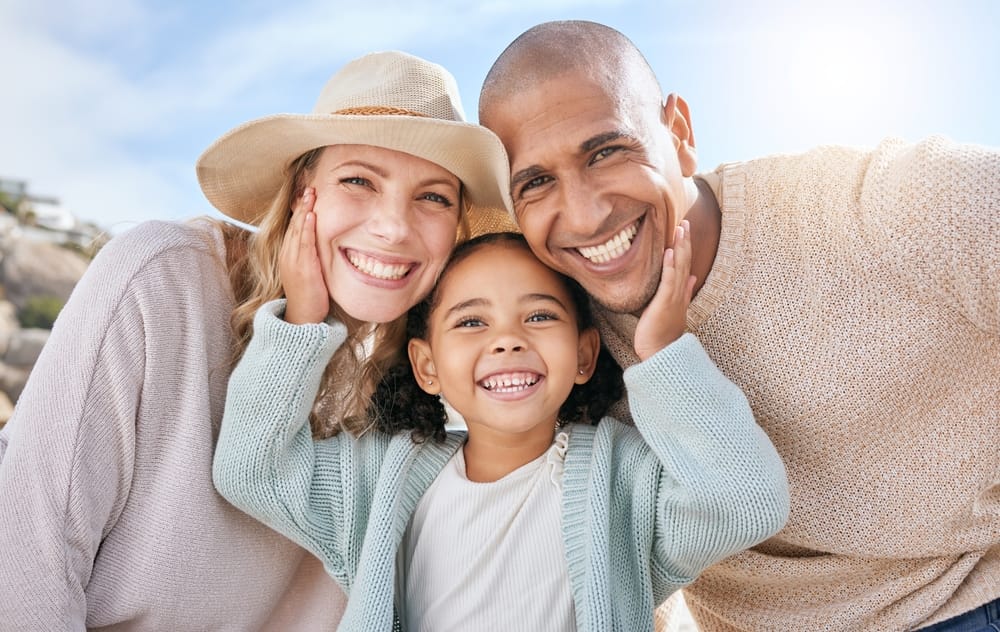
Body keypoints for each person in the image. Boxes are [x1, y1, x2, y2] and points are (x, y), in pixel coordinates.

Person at [477, 19, 1000, 632]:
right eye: (537, 182)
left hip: (961, 601)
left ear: (679, 133)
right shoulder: (554, 335)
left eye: (606, 151)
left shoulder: (893, 206)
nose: (587, 215)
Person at [0, 49, 512, 629]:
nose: (394, 226)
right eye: (358, 181)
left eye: (434, 196)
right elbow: (29, 554)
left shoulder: (422, 383)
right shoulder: (164, 281)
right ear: (301, 191)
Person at [213, 229, 789, 631]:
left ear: (585, 355)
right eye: (470, 321)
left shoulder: (626, 482)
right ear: (427, 366)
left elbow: (745, 502)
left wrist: (663, 354)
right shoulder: (381, 479)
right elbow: (250, 470)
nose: (508, 339)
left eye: (539, 315)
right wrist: (302, 321)